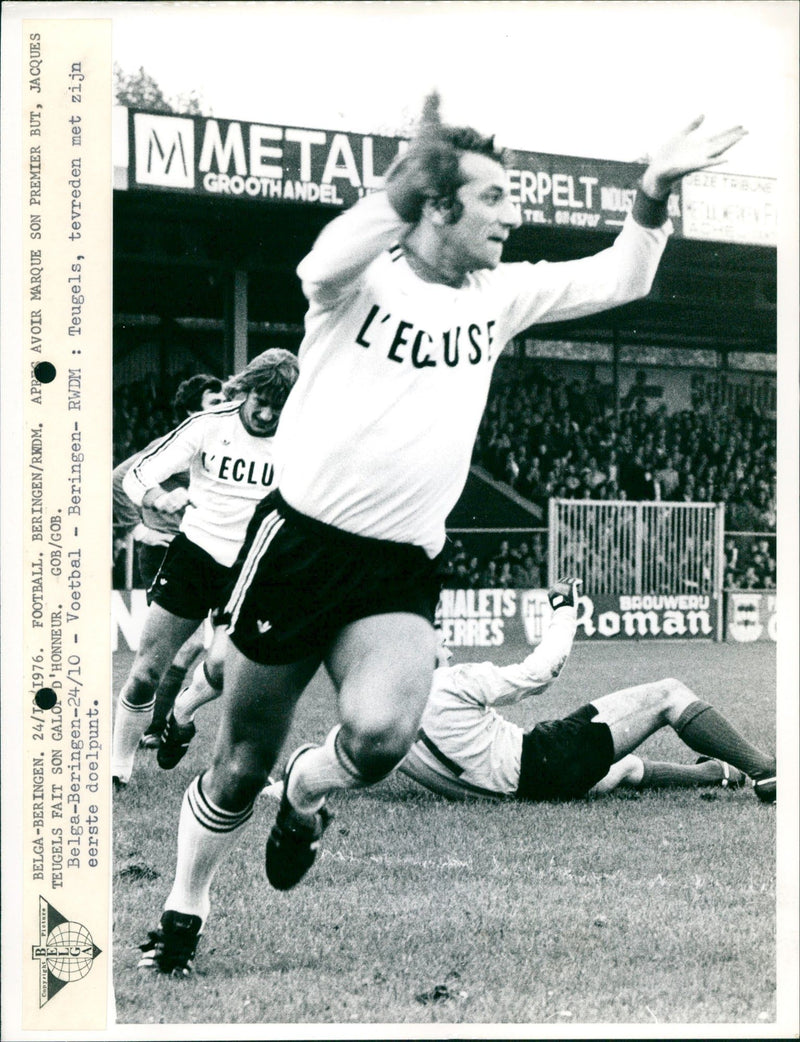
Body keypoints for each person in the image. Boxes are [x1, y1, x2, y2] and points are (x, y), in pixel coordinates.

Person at [138, 113, 747, 976]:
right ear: (435, 206)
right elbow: (318, 263)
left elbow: (625, 273)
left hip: (399, 565)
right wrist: (397, 187)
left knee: (381, 740)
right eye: (493, 197)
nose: (511, 216)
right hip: (299, 545)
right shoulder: (360, 283)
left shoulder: (500, 295)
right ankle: (184, 907)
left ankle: (308, 791)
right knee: (239, 764)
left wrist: (654, 188)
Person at [396, 578, 776, 804]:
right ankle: (768, 771)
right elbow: (541, 672)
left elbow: (348, 756)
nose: (444, 640)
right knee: (669, 694)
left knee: (622, 766)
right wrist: (564, 609)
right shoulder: (451, 681)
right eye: (435, 634)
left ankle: (718, 774)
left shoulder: (385, 724)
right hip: (545, 759)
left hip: (536, 788)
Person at [111, 349, 299, 789]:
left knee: (223, 670)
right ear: (245, 390)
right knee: (146, 672)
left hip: (253, 567)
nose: (268, 414)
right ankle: (118, 768)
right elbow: (136, 475)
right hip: (196, 555)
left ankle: (182, 712)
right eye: (262, 402)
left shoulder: (300, 439)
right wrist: (158, 498)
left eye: (279, 406)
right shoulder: (209, 426)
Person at [113, 374, 226, 745]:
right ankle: (154, 727)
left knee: (193, 646)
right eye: (214, 402)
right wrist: (136, 530)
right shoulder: (177, 443)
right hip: (166, 551)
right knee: (180, 646)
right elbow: (121, 478)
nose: (225, 407)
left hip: (199, 553)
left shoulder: (225, 444)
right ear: (193, 411)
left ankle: (157, 726)